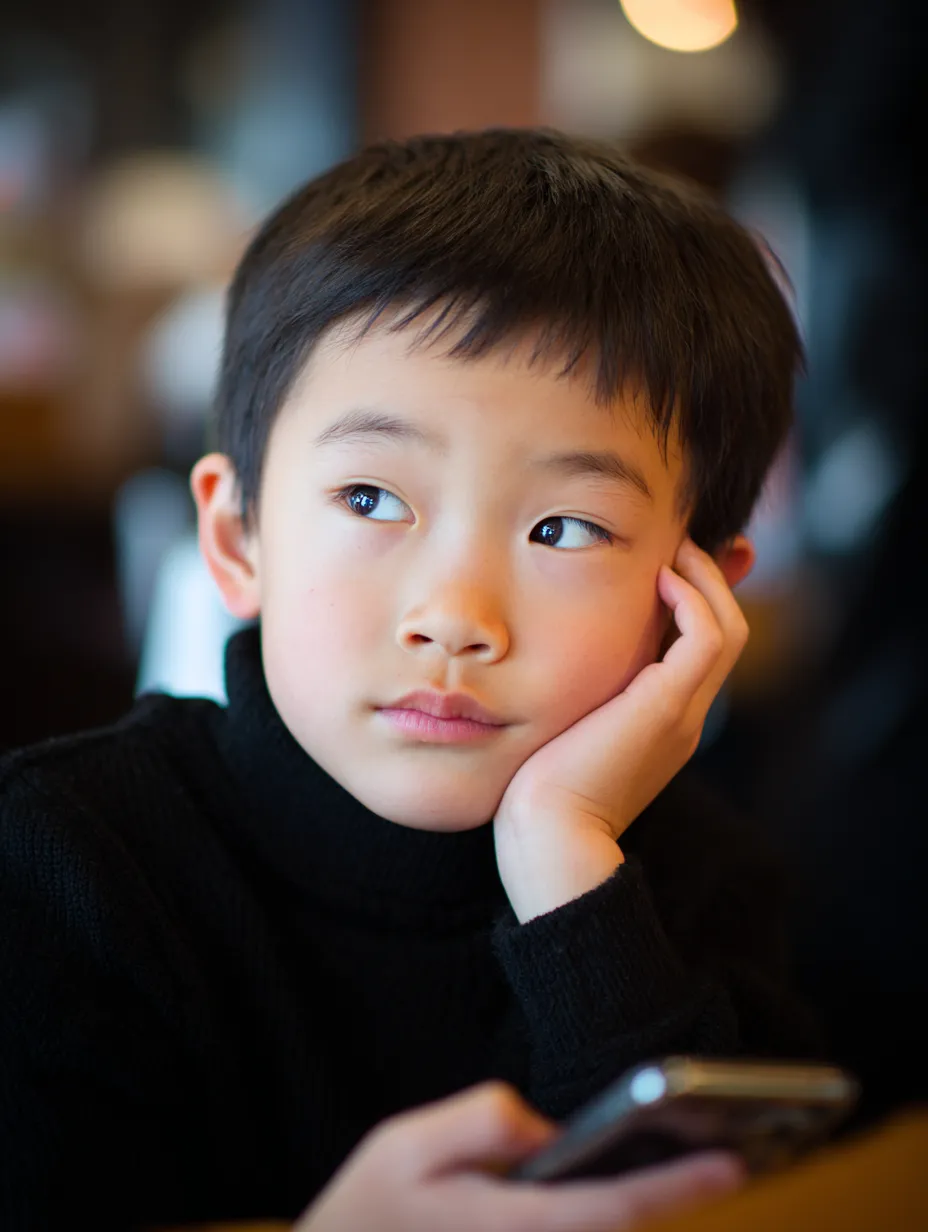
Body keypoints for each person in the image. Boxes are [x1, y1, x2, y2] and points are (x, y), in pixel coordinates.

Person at [0, 128, 816, 1231]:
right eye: (373, 499)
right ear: (238, 537)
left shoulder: (704, 888)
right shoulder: (61, 861)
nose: (454, 618)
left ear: (696, 597)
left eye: (564, 526)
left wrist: (567, 859)